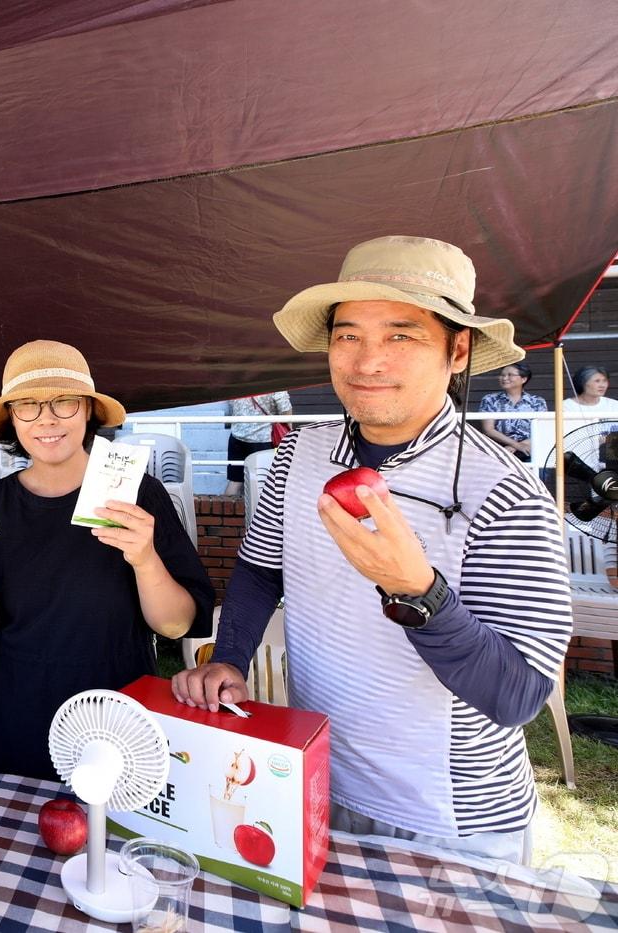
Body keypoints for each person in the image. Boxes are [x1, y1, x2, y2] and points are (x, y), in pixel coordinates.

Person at [172, 236, 572, 865]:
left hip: (446, 818)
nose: (366, 360)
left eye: (401, 335)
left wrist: (420, 592)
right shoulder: (295, 458)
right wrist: (230, 657)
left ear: (458, 348)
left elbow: (518, 695)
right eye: (348, 335)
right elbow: (259, 568)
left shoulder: (503, 491)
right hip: (312, 777)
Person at [0, 340, 214, 780]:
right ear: (11, 420)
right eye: (28, 406)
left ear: (88, 411)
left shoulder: (138, 495)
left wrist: (145, 559)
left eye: (64, 402)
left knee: (113, 840)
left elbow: (174, 626)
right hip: (14, 717)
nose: (47, 419)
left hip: (115, 717)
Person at [224, 391, 293, 496]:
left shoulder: (237, 380)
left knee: (235, 481)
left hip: (237, 437)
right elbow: (284, 408)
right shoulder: (273, 380)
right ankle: (261, 511)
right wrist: (289, 430)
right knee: (265, 482)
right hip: (263, 439)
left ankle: (225, 509)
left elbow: (230, 406)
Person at [478, 362, 546, 461]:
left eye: (510, 375)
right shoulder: (490, 400)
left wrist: (516, 446)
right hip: (499, 448)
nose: (504, 378)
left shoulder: (537, 402)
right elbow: (488, 429)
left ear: (523, 379)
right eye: (502, 375)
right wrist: (516, 445)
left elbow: (541, 430)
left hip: (529, 447)